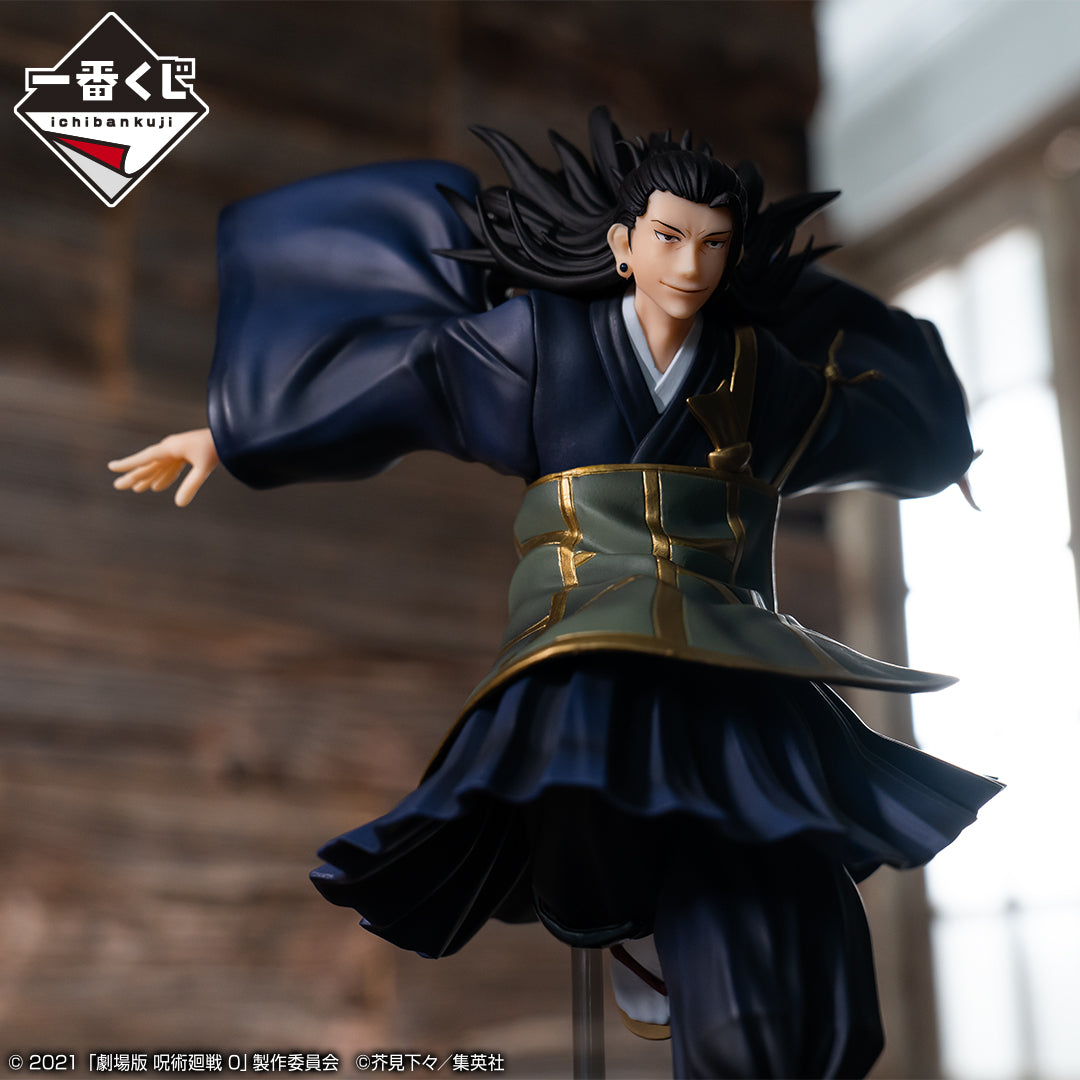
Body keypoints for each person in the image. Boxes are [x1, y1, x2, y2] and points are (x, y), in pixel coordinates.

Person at [109, 108, 1002, 1078]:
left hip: (735, 662)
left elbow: (855, 424)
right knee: (601, 822)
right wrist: (233, 437)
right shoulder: (537, 344)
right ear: (623, 245)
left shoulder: (758, 371)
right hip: (587, 647)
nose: (690, 266)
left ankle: (725, 988)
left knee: (780, 888)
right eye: (669, 238)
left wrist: (935, 450)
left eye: (713, 245)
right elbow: (406, 381)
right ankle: (638, 925)